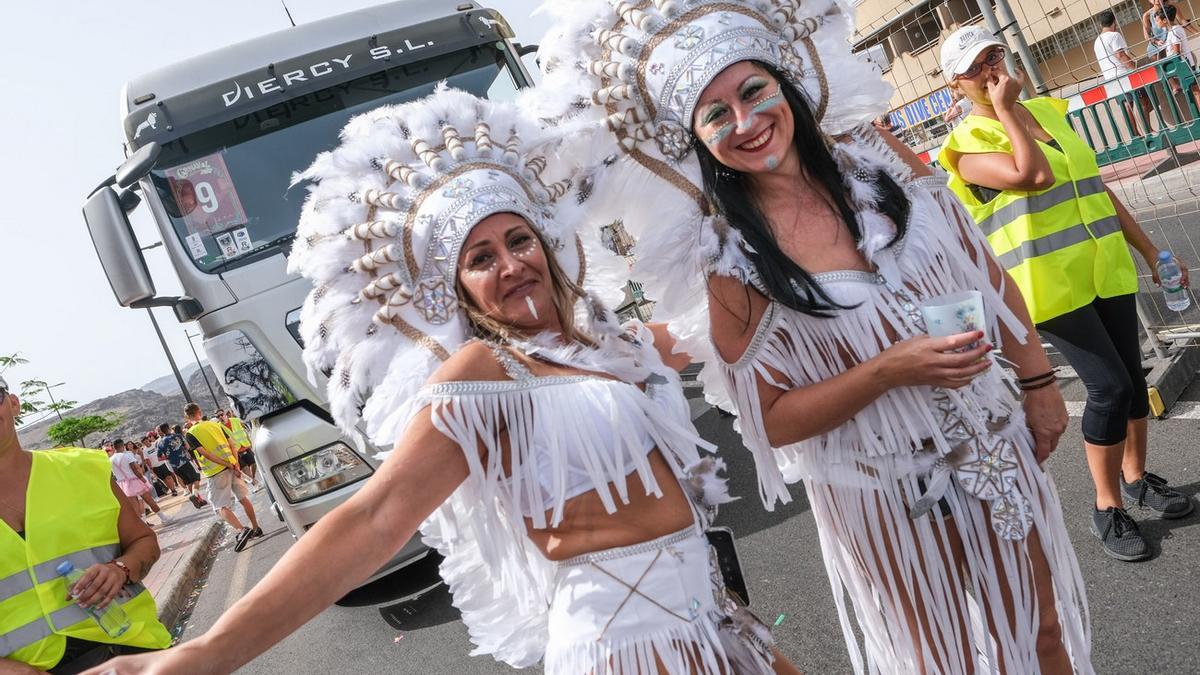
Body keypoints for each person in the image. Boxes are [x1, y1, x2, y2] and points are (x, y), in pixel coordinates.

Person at [87, 88, 800, 675]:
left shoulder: (612, 345)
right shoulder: (482, 375)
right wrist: (205, 653)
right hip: (623, 649)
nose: (510, 264)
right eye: (479, 258)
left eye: (518, 240)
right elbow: (372, 519)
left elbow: (740, 328)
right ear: (457, 290)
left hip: (715, 624)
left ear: (547, 247)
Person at [539, 2, 1092, 672]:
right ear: (696, 138)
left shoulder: (875, 160)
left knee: (1040, 634)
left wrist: (1037, 384)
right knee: (944, 661)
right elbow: (769, 420)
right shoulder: (731, 260)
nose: (744, 122)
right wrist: (887, 370)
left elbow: (983, 271)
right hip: (881, 490)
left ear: (785, 84)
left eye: (752, 91)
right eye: (714, 115)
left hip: (990, 443)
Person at [938, 26, 1196, 563]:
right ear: (955, 84)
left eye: (994, 56)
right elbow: (1029, 176)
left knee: (1131, 377)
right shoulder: (964, 147)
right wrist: (1008, 111)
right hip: (1049, 288)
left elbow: (1095, 188)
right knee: (1106, 386)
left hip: (1104, 270)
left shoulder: (1052, 114)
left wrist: (1152, 252)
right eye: (975, 67)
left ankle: (1135, 477)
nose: (990, 70)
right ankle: (1106, 507)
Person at [0, 376, 172, 674]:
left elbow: (144, 541)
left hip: (139, 652)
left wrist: (120, 569)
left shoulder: (84, 469)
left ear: (13, 403)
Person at [182, 403, 261, 552]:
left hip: (216, 472)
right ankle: (256, 528)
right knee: (243, 499)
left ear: (187, 417)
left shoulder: (191, 433)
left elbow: (205, 454)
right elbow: (232, 444)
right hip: (232, 465)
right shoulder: (215, 425)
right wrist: (235, 463)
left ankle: (241, 530)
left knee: (219, 506)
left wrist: (226, 464)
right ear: (199, 411)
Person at [1094, 10, 1154, 136]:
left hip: (1110, 77)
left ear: (1101, 25)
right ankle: (1148, 129)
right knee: (1143, 100)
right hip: (1124, 75)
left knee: (1127, 104)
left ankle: (1135, 133)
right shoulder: (1114, 36)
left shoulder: (1097, 41)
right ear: (1114, 22)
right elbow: (1120, 55)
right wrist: (1135, 69)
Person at [108, 440, 172, 528]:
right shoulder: (127, 455)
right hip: (135, 480)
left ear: (114, 447)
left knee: (135, 507)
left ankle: (142, 526)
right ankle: (163, 518)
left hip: (123, 485)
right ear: (123, 446)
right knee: (149, 501)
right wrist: (144, 481)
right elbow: (135, 470)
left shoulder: (110, 460)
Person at [1158, 5, 1200, 113]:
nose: (1156, 22)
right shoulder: (1172, 30)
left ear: (1164, 20)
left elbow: (1177, 51)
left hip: (1185, 65)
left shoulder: (1175, 30)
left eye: (1157, 20)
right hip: (1184, 65)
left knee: (1195, 92)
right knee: (1193, 92)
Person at [155, 423, 206, 508]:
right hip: (185, 461)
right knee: (196, 478)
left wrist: (168, 456)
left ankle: (199, 501)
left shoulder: (160, 443)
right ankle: (195, 495)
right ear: (168, 428)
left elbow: (159, 458)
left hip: (175, 466)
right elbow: (187, 447)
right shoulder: (177, 436)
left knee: (188, 482)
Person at [218, 410, 257, 487]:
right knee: (244, 468)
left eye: (221, 414)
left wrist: (250, 442)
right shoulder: (219, 427)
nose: (220, 417)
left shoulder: (235, 420)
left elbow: (244, 431)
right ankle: (254, 483)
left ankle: (253, 479)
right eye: (218, 416)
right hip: (234, 451)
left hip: (244, 446)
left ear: (225, 414)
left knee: (253, 463)